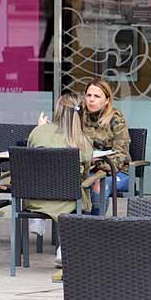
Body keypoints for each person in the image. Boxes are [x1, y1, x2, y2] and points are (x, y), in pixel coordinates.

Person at [25, 94, 92, 267]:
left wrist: (40, 128)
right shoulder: (83, 141)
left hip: (35, 197)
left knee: (38, 175)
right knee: (82, 189)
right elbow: (85, 172)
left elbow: (29, 157)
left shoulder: (38, 132)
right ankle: (64, 248)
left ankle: (38, 219)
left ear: (57, 111)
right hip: (67, 199)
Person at [80, 78, 131, 214]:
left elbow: (121, 154)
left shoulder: (116, 119)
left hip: (115, 172)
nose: (91, 99)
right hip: (86, 169)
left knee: (99, 186)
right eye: (88, 95)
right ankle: (76, 227)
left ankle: (95, 228)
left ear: (107, 100)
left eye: (97, 96)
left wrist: (100, 167)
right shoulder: (78, 116)